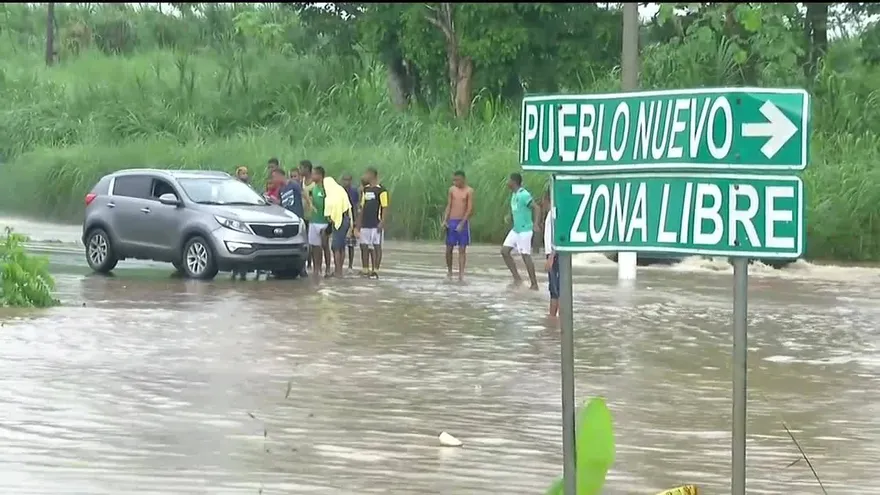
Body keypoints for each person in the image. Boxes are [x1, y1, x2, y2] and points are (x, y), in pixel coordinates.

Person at [500, 172, 540, 289]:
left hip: (524, 230)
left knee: (525, 256)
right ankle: (517, 278)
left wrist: (536, 224)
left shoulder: (524, 194)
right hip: (516, 230)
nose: (507, 182)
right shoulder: (514, 195)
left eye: (509, 180)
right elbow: (517, 209)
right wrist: (509, 216)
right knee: (504, 251)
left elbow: (536, 207)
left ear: (514, 182)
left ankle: (534, 284)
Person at [357, 166, 389, 279]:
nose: (364, 176)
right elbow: (361, 207)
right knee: (364, 246)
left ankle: (376, 269)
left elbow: (385, 207)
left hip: (376, 223)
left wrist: (382, 222)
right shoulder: (365, 190)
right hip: (365, 223)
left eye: (366, 174)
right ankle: (365, 269)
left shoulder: (382, 190)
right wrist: (358, 225)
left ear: (372, 175)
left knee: (377, 246)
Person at [443, 170, 474, 281]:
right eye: (454, 180)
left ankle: (461, 274)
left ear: (463, 179)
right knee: (449, 248)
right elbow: (449, 205)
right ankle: (450, 271)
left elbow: (470, 208)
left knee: (462, 249)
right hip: (452, 221)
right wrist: (445, 220)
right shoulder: (452, 190)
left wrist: (462, 223)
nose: (455, 182)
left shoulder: (469, 191)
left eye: (458, 180)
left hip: (463, 222)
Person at [322, 175, 354, 278]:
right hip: (346, 219)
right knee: (342, 247)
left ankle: (338, 272)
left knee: (335, 247)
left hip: (337, 221)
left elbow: (328, 215)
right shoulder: (341, 191)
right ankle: (340, 271)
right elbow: (349, 206)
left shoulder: (329, 196)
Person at [308, 166, 333, 278]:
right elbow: (308, 197)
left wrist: (330, 222)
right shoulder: (313, 188)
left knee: (325, 246)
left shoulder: (327, 189)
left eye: (314, 174)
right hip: (314, 221)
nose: (312, 176)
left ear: (320, 175)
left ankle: (327, 268)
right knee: (315, 247)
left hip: (324, 221)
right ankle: (316, 269)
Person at [542, 188, 559, 318]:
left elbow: (556, 236)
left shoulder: (553, 213)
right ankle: (553, 318)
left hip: (554, 254)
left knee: (555, 289)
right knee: (555, 288)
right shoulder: (552, 213)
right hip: (553, 254)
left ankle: (553, 318)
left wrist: (551, 257)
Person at [341, 173, 360, 271]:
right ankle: (340, 265)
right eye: (344, 180)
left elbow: (356, 206)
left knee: (351, 244)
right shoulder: (339, 191)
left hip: (351, 219)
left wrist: (356, 221)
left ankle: (350, 266)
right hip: (340, 219)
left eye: (348, 180)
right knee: (341, 243)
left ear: (351, 181)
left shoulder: (354, 191)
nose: (346, 182)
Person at [299, 160, 315, 270]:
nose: (300, 170)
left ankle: (310, 263)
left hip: (313, 216)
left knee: (312, 242)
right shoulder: (301, 182)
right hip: (302, 215)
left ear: (306, 169)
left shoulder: (315, 183)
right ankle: (305, 263)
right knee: (303, 241)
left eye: (301, 168)